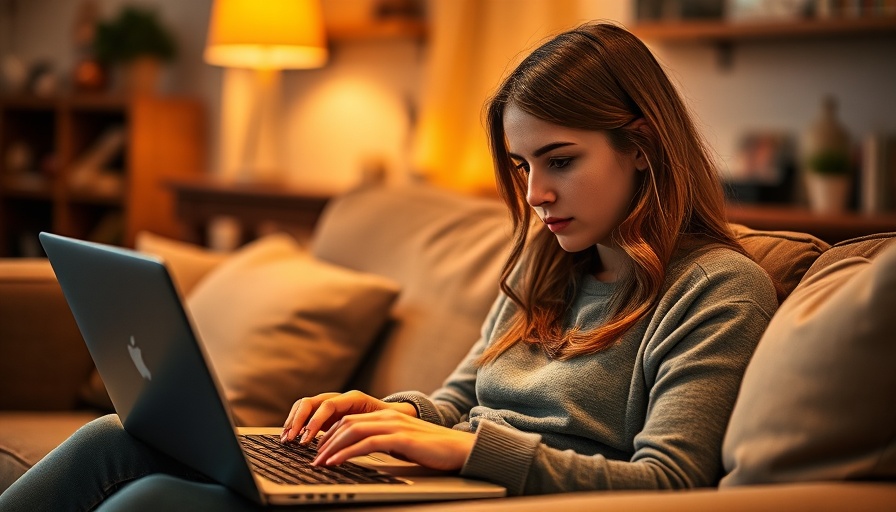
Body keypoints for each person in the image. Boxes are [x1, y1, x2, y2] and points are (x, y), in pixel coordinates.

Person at [0, 21, 777, 510]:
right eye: (520, 165)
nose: (536, 194)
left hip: (499, 497)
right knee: (113, 438)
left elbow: (672, 483)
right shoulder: (550, 263)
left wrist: (464, 449)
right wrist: (385, 411)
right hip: (431, 482)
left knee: (156, 501)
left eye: (560, 161)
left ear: (640, 148)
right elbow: (457, 399)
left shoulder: (716, 289)